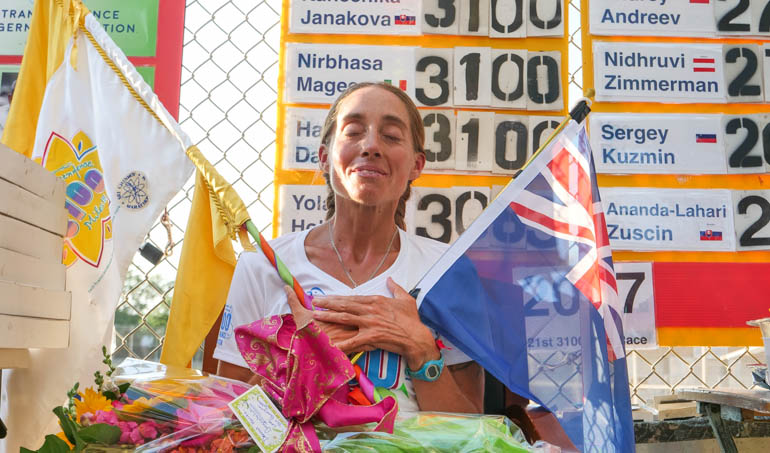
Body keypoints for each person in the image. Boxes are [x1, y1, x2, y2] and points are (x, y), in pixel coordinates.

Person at [214, 82, 484, 413]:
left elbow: (471, 431)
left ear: (417, 165)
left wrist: (421, 350)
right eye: (354, 131)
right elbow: (228, 422)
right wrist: (299, 352)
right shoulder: (262, 265)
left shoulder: (446, 273)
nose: (371, 146)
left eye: (392, 136)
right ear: (324, 157)